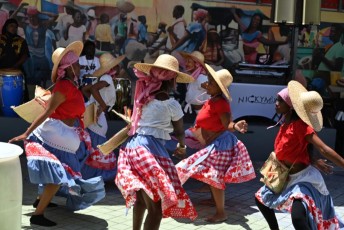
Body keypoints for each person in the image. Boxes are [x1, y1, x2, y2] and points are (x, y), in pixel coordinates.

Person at [9, 41, 105, 227]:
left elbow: (73, 113)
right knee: (57, 176)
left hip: (64, 134)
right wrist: (26, 133)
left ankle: (40, 201)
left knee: (56, 172)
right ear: (69, 68)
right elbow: (46, 112)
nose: (79, 66)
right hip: (54, 133)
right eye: (76, 64)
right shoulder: (63, 87)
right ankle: (37, 215)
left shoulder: (71, 86)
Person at [115, 54, 197, 230]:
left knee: (142, 200)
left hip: (133, 148)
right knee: (157, 208)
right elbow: (180, 131)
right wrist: (182, 147)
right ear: (173, 80)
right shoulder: (171, 104)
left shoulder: (144, 97)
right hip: (149, 152)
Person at [255, 80, 344, 230]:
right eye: (277, 100)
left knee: (297, 217)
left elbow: (324, 149)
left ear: (290, 107)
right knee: (261, 199)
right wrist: (313, 160)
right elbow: (296, 149)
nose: (276, 103)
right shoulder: (284, 124)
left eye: (280, 101)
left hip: (303, 179)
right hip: (284, 176)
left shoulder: (302, 127)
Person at [175, 65, 256, 223]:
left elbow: (228, 124)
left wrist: (237, 126)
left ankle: (221, 212)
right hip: (213, 144)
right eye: (209, 81)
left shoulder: (221, 103)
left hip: (221, 145)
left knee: (213, 175)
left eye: (211, 82)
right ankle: (215, 202)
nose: (207, 84)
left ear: (219, 87)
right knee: (210, 174)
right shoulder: (212, 99)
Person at [79, 53, 125, 181]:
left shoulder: (99, 78)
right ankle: (97, 176)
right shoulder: (107, 78)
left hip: (92, 112)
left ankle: (89, 175)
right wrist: (102, 105)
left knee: (92, 145)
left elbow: (85, 89)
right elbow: (93, 89)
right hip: (99, 115)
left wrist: (93, 102)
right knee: (99, 145)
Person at [0, 18, 30, 101]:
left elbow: (25, 56)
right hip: (1, 68)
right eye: (11, 26)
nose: (14, 28)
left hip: (16, 68)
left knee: (22, 92)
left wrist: (14, 67)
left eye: (16, 27)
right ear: (6, 27)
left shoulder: (21, 40)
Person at [179, 51, 209, 116]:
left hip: (201, 112)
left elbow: (212, 92)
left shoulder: (201, 78)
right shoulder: (195, 77)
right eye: (186, 61)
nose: (186, 64)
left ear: (197, 64)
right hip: (195, 112)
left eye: (189, 62)